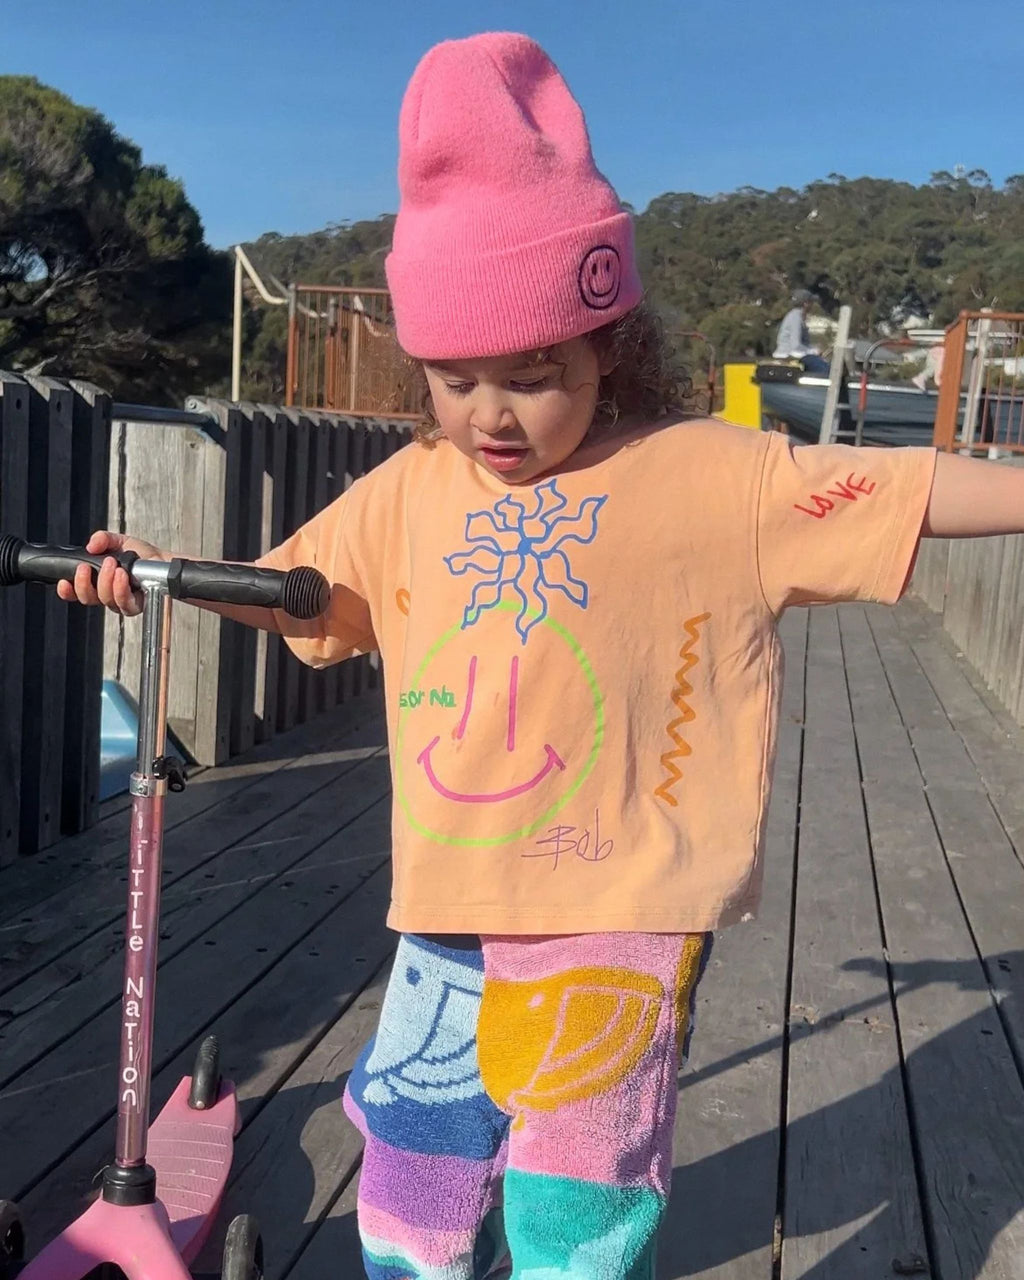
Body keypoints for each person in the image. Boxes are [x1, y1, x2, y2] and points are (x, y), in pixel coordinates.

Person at [58, 32, 1024, 1280]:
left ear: (608, 344)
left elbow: (889, 485)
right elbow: (298, 590)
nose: (492, 416)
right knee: (412, 1137)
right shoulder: (410, 487)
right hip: (453, 893)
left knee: (580, 1173)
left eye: (533, 375)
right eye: (456, 381)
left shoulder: (705, 475)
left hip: (620, 900)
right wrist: (153, 572)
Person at [773, 288, 830, 373]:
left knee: (823, 364)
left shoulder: (796, 316)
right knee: (825, 369)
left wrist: (813, 348)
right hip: (788, 354)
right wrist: (813, 351)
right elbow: (795, 346)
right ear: (805, 303)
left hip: (795, 354)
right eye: (811, 302)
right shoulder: (795, 317)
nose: (813, 304)